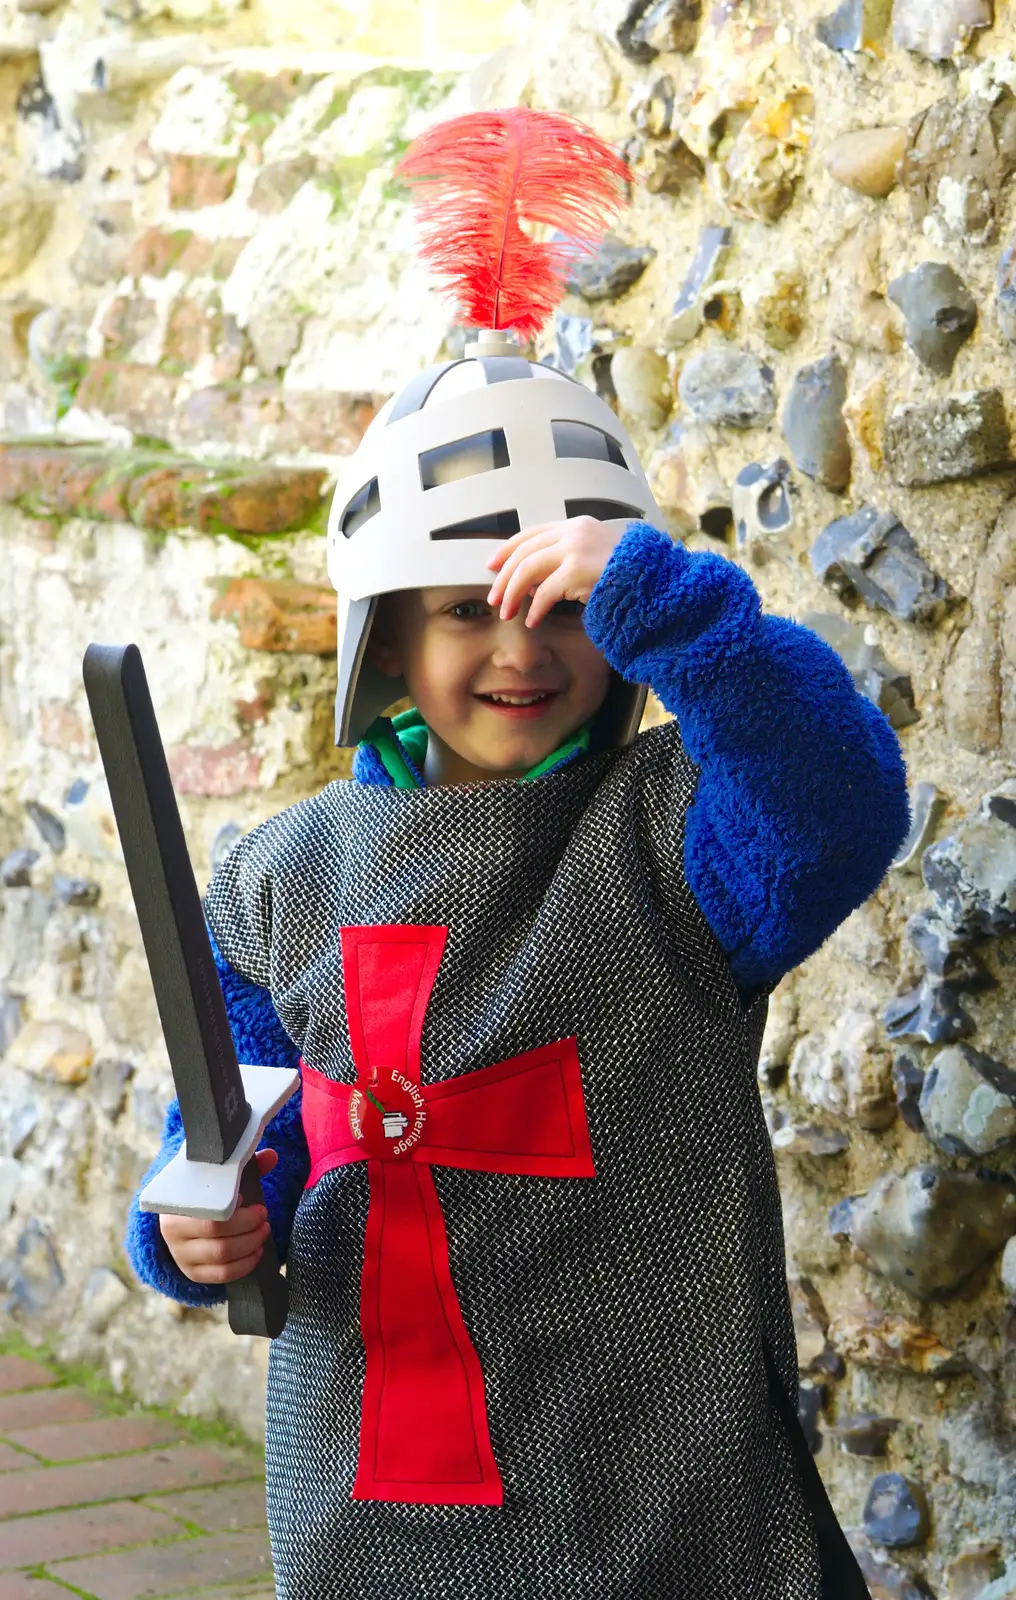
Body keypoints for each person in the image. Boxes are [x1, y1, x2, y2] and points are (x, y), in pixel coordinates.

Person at [124, 110, 909, 1599]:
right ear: (383, 635)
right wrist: (196, 1226)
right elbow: (241, 1130)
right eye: (463, 607)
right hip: (374, 1492)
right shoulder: (279, 879)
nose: (518, 647)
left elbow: (843, 806)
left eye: (557, 601)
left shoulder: (683, 838)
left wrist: (677, 608)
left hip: (658, 1498)